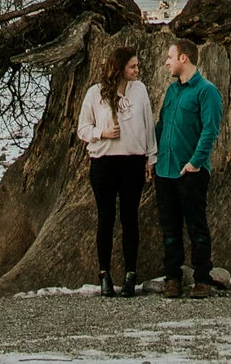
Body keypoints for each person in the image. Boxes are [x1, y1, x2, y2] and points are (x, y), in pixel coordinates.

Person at [76, 44, 154, 297]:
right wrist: (102, 133)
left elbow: (148, 125)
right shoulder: (95, 93)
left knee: (130, 218)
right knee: (105, 219)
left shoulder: (140, 90)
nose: (137, 70)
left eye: (137, 65)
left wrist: (150, 159)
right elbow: (82, 129)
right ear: (119, 68)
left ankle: (131, 274)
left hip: (132, 162)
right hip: (104, 163)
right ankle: (104, 274)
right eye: (132, 66)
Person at [154, 34, 222, 298]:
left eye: (170, 58)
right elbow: (162, 125)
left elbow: (210, 130)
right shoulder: (172, 91)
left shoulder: (207, 91)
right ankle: (173, 277)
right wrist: (152, 156)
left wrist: (195, 162)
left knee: (196, 226)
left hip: (191, 171)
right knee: (169, 226)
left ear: (184, 58)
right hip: (165, 169)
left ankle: (202, 278)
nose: (166, 63)